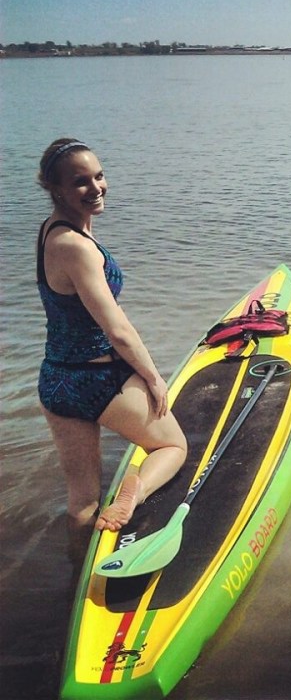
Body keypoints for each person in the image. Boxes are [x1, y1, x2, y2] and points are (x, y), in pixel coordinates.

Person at [37, 138, 187, 534]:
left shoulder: (51, 232)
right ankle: (133, 491)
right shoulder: (77, 248)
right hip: (99, 379)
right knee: (172, 447)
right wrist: (154, 378)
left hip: (56, 381)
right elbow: (117, 330)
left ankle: (79, 580)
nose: (96, 187)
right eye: (80, 182)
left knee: (82, 498)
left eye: (99, 176)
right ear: (57, 189)